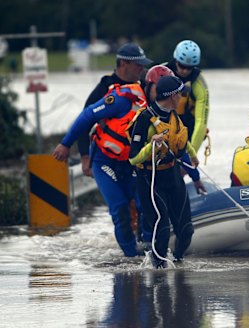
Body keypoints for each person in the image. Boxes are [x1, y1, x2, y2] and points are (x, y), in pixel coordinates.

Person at [53, 79, 148, 257]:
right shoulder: (122, 99)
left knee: (144, 206)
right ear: (148, 87)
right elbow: (87, 115)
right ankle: (131, 257)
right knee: (120, 209)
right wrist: (67, 144)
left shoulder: (160, 108)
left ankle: (149, 252)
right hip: (105, 161)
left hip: (131, 163)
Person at [128, 75, 197, 268]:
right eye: (180, 94)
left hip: (173, 176)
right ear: (172, 96)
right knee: (163, 229)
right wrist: (152, 145)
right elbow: (133, 158)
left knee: (186, 230)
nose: (182, 98)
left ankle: (177, 264)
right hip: (151, 180)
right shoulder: (143, 119)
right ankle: (158, 271)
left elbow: (181, 138)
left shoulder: (174, 115)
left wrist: (192, 155)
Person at [78, 42, 152, 177]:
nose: (142, 68)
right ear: (123, 64)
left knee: (137, 198)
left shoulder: (145, 85)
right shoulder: (104, 89)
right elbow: (83, 123)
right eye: (138, 65)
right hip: (109, 157)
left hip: (136, 159)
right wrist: (85, 157)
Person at [143, 65, 206, 195]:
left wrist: (196, 177)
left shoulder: (169, 115)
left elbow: (180, 146)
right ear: (149, 87)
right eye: (160, 89)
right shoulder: (140, 110)